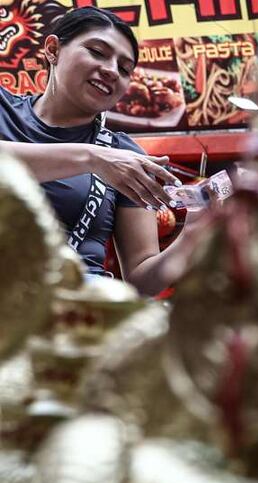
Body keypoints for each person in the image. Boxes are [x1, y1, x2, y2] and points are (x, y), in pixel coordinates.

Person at [0, 7, 200, 296]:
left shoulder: (126, 155)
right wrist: (92, 158)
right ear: (53, 49)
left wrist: (190, 238)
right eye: (97, 51)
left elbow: (141, 278)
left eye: (124, 69)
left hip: (73, 317)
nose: (111, 70)